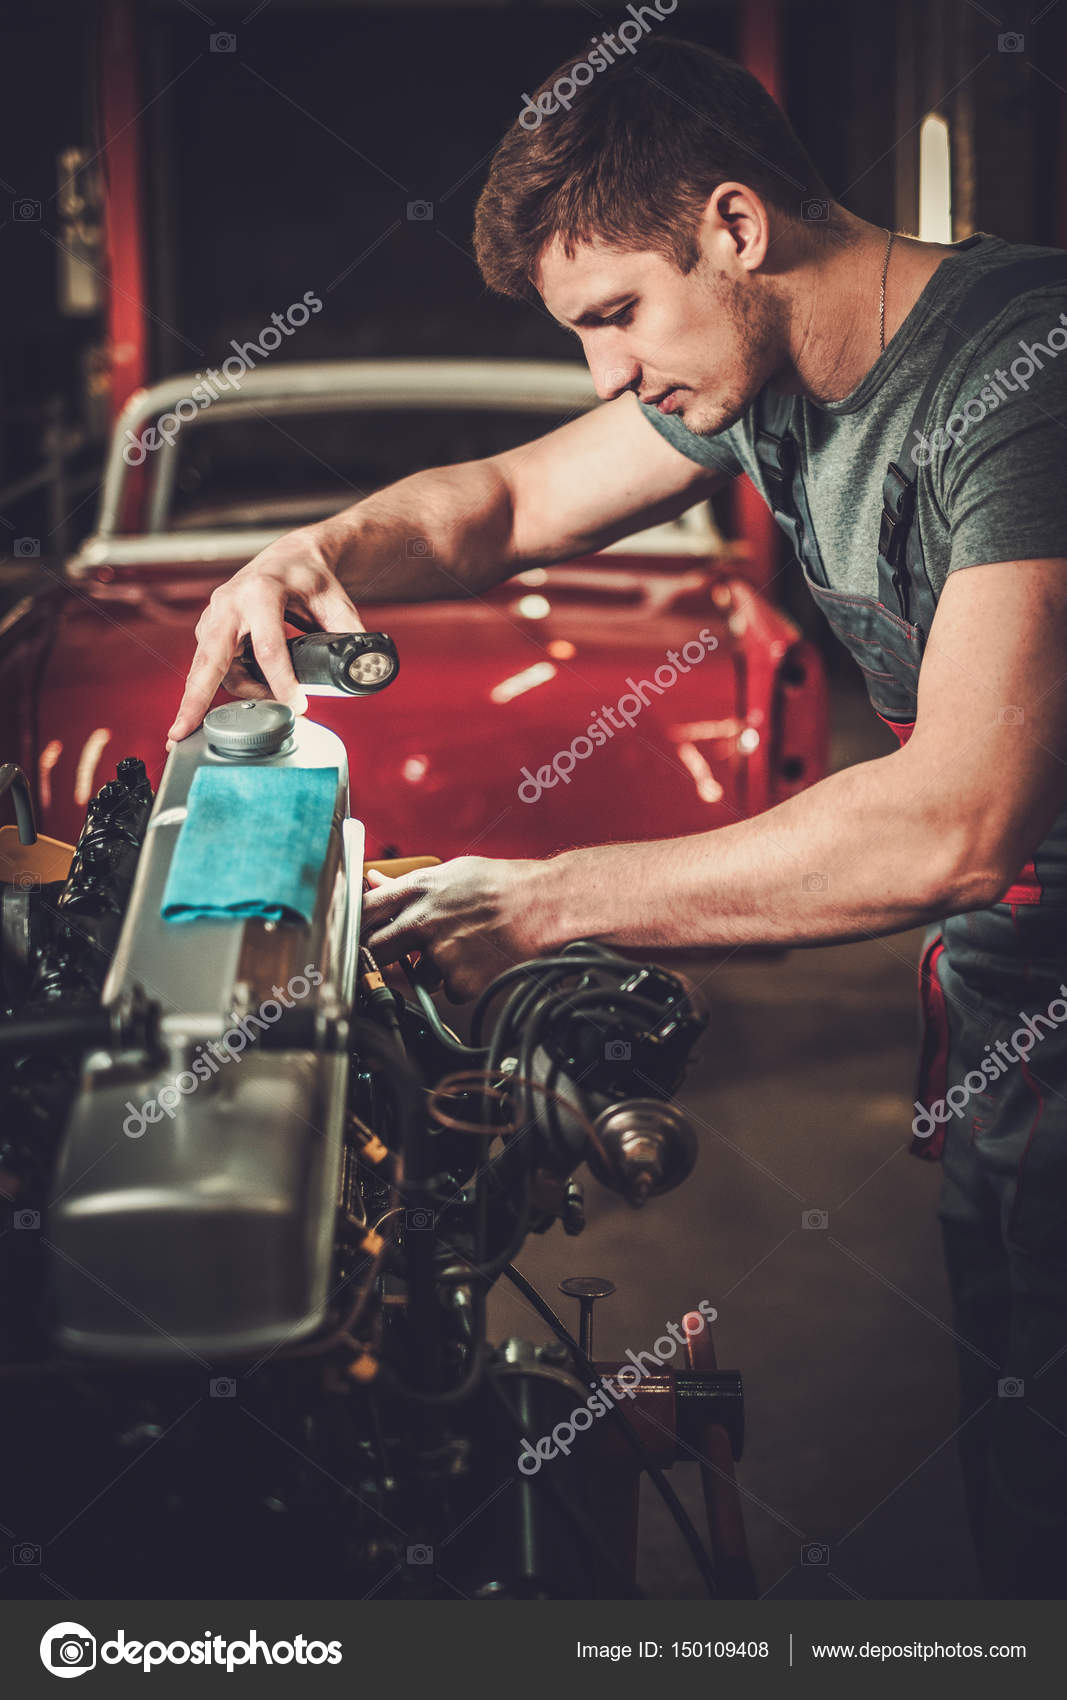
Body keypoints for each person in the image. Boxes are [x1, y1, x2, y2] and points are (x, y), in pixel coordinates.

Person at [170, 38, 1067, 1595]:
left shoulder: (1023, 376)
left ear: (735, 225)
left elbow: (955, 817)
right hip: (1014, 1017)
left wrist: (548, 897)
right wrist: (308, 553)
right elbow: (503, 506)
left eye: (613, 316)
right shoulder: (766, 370)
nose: (606, 373)